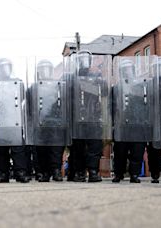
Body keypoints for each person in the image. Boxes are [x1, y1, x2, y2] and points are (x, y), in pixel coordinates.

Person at [112, 57, 160, 183]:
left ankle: (134, 174)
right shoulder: (116, 88)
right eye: (124, 70)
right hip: (122, 125)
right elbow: (112, 106)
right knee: (120, 152)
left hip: (138, 125)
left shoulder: (142, 86)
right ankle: (118, 174)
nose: (127, 72)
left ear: (133, 70)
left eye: (129, 69)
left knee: (137, 152)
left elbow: (148, 105)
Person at [69, 50, 111, 183]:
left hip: (93, 117)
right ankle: (80, 172)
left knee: (95, 147)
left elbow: (105, 91)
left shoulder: (96, 77)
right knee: (78, 148)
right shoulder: (71, 78)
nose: (84, 62)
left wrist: (101, 78)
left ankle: (93, 171)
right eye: (81, 59)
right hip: (76, 119)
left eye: (86, 59)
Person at [0, 58, 29, 183]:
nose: (5, 70)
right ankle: (3, 173)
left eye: (7, 67)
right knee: (2, 150)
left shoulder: (18, 83)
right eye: (2, 67)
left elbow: (22, 98)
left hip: (15, 120)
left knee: (18, 149)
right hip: (0, 121)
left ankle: (20, 172)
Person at [29, 59, 69, 182]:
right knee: (40, 150)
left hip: (56, 123)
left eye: (47, 69)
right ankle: (42, 171)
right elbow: (29, 107)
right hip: (39, 123)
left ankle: (56, 170)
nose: (45, 72)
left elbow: (64, 104)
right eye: (42, 69)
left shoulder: (58, 86)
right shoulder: (34, 87)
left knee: (56, 149)